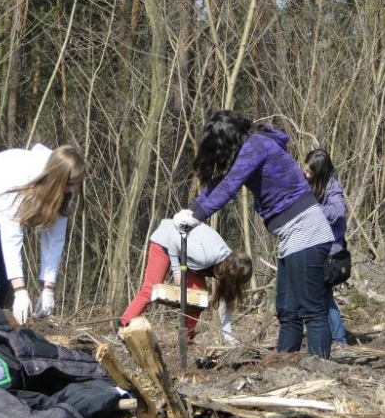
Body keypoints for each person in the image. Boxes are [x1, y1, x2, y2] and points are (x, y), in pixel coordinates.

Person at [173, 110, 334, 359]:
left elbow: (229, 186)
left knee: (312, 311)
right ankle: (284, 369)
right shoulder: (250, 149)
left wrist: (197, 217)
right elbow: (221, 182)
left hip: (307, 231)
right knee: (288, 311)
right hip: (290, 236)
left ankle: (322, 370)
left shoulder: (257, 145)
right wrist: (191, 211)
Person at [0, 144, 86, 324]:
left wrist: (48, 289)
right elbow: (12, 238)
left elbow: (54, 241)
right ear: (58, 179)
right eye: (70, 184)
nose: (73, 190)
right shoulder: (21, 179)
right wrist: (21, 291)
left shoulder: (62, 194)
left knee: (3, 287)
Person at [120, 219, 252, 343]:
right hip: (167, 240)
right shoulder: (205, 257)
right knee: (151, 289)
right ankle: (124, 325)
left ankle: (185, 340)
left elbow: (225, 302)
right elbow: (174, 241)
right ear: (229, 275)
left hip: (188, 252)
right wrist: (177, 271)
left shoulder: (230, 265)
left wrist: (229, 337)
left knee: (199, 299)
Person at [303, 149, 348, 345]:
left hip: (330, 253)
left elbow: (339, 211)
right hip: (315, 249)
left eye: (310, 172)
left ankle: (339, 338)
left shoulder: (332, 187)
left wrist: (315, 210)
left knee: (324, 297)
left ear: (320, 172)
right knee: (321, 296)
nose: (306, 174)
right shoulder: (311, 185)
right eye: (305, 169)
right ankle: (333, 336)